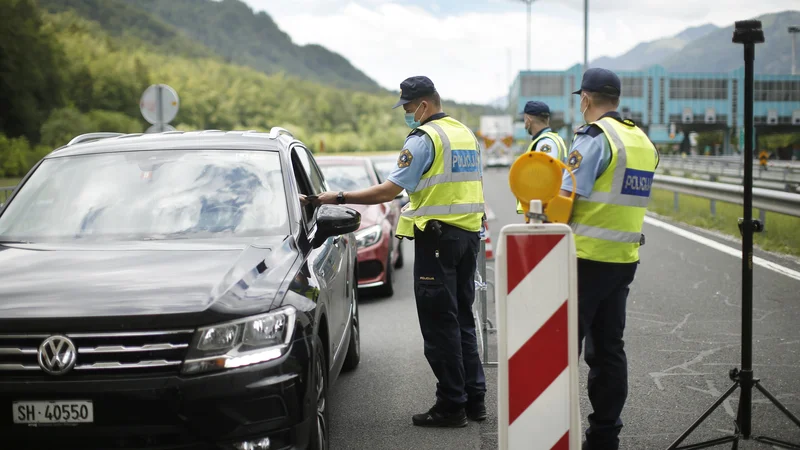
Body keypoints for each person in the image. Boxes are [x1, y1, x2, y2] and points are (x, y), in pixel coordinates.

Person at [313, 76, 487, 428]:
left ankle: (451, 405)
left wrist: (340, 197)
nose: (406, 114)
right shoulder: (463, 133)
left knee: (440, 328)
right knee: (463, 320)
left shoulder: (424, 139)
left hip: (438, 241)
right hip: (468, 239)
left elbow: (389, 191)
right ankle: (475, 400)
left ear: (423, 105)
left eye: (408, 108)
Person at [557, 68, 659, 450]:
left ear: (585, 99)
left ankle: (551, 431)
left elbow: (568, 198)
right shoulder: (642, 141)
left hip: (585, 258)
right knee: (609, 350)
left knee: (560, 348)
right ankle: (604, 438)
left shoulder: (595, 138)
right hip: (623, 258)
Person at [516, 100, 568, 214]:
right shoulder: (554, 139)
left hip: (544, 209)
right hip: (548, 206)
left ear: (528, 120)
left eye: (524, 119)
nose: (525, 123)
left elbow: (543, 177)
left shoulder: (545, 144)